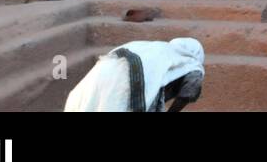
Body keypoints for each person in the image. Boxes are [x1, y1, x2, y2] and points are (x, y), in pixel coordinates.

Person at [64, 37, 205, 112]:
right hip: (126, 81)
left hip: (102, 73)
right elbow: (189, 92)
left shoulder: (155, 48)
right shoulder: (192, 63)